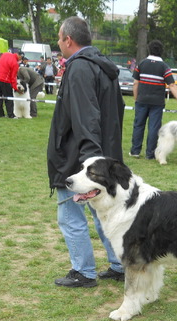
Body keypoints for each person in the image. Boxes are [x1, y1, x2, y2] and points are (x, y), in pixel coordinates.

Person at [48, 16, 125, 288]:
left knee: (70, 216)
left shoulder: (80, 68)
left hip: (79, 158)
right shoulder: (103, 66)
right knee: (103, 214)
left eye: (59, 39)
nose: (58, 44)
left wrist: (89, 167)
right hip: (102, 156)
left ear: (69, 40)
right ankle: (120, 264)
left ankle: (83, 271)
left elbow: (85, 118)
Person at [130, 40, 177, 159]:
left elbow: (135, 83)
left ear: (149, 49)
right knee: (153, 128)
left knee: (138, 125)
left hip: (142, 100)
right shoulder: (164, 67)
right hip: (157, 102)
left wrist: (136, 98)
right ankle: (150, 153)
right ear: (162, 51)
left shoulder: (141, 64)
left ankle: (135, 151)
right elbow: (171, 85)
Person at [0, 50, 20, 118]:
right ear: (19, 56)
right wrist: (15, 88)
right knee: (9, 98)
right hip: (5, 80)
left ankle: (1, 114)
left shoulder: (5, 54)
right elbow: (13, 77)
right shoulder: (15, 63)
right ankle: (10, 114)